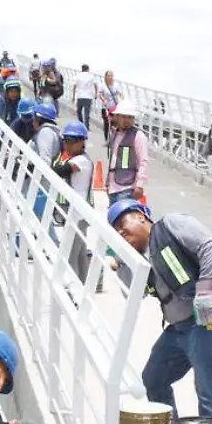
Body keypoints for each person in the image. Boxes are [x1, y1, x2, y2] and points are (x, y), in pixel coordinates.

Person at [109, 200, 212, 419]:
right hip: (180, 326)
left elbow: (209, 245)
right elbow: (133, 293)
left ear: (142, 217)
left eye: (123, 223)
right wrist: (121, 260)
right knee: (154, 379)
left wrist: (206, 289)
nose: (121, 232)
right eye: (116, 231)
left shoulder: (171, 225)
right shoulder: (139, 257)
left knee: (207, 383)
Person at [54, 122, 97, 283]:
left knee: (71, 253)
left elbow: (62, 171)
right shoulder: (79, 158)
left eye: (73, 140)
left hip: (78, 214)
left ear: (82, 142)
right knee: (79, 254)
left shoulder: (81, 161)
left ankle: (73, 290)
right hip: (78, 212)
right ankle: (82, 287)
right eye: (66, 140)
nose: (69, 144)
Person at [106, 100, 149, 205]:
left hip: (127, 189)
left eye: (130, 117)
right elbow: (114, 160)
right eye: (124, 117)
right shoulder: (115, 134)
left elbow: (143, 161)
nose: (127, 120)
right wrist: (108, 182)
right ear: (117, 117)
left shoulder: (138, 136)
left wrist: (139, 185)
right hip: (113, 188)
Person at [97, 71, 123, 143]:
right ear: (106, 77)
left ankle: (114, 139)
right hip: (105, 107)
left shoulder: (116, 86)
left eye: (111, 76)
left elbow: (120, 93)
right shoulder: (103, 85)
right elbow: (99, 94)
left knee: (114, 124)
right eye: (108, 76)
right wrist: (103, 99)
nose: (110, 77)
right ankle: (107, 140)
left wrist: (122, 97)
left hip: (114, 108)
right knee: (106, 124)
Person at [72, 64, 99, 129]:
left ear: (82, 69)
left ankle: (80, 124)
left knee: (79, 111)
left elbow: (74, 86)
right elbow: (95, 85)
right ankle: (86, 127)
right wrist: (95, 94)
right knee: (87, 113)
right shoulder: (91, 76)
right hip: (88, 97)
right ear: (88, 69)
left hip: (80, 96)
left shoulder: (78, 76)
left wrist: (73, 96)